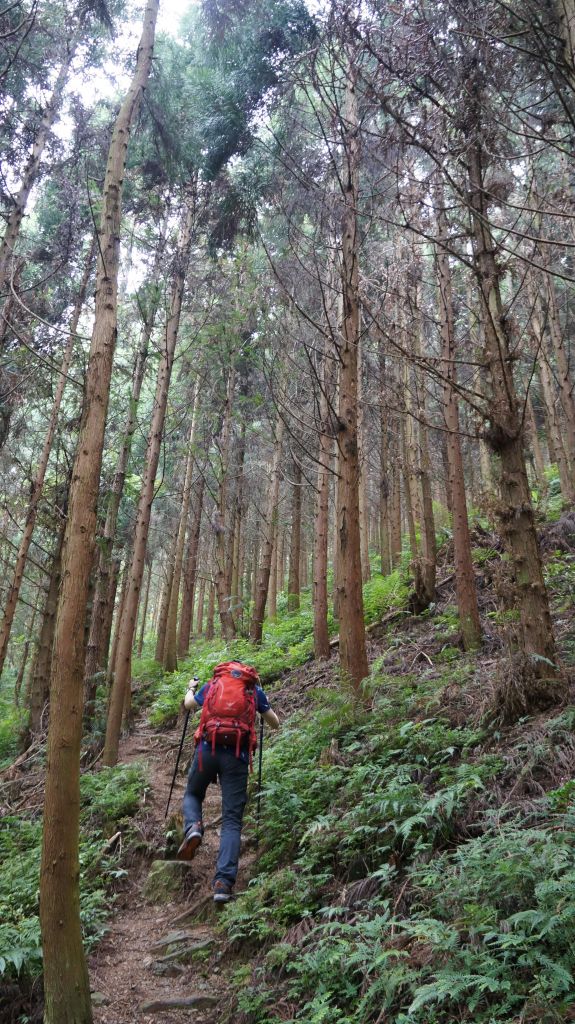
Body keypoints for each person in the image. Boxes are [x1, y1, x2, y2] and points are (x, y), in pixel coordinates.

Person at [177, 662, 279, 902]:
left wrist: (191, 688)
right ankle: (223, 883)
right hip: (237, 756)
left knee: (192, 793)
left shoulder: (213, 684)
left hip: (207, 750)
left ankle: (193, 827)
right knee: (232, 820)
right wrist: (263, 703)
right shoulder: (253, 691)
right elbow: (274, 722)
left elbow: (189, 704)